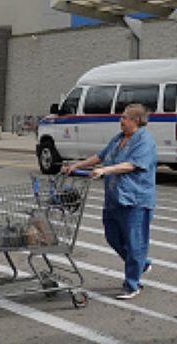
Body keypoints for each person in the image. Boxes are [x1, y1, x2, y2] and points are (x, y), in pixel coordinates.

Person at [63, 103, 157, 299]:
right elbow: (100, 156)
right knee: (112, 236)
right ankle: (141, 264)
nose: (120, 121)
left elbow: (132, 165)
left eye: (124, 117)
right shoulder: (119, 139)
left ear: (136, 121)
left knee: (134, 242)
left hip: (135, 199)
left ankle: (132, 284)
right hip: (114, 197)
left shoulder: (145, 141)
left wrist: (106, 170)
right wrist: (76, 165)